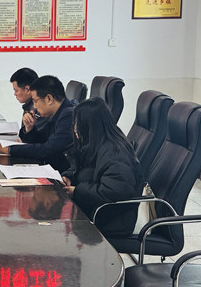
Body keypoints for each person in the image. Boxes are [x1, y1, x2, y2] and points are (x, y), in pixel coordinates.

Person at [62, 98, 144, 237]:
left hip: (110, 220)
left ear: (88, 125)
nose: (74, 128)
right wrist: (70, 177)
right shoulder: (97, 143)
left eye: (76, 123)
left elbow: (114, 191)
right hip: (95, 211)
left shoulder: (115, 152)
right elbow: (85, 169)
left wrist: (77, 191)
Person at [0, 75, 76, 172]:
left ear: (49, 99)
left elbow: (47, 150)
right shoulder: (58, 113)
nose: (34, 107)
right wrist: (30, 129)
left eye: (35, 101)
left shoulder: (69, 115)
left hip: (62, 174)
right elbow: (42, 142)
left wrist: (7, 149)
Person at [9, 67, 48, 142]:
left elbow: (35, 141)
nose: (15, 94)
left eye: (16, 90)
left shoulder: (39, 108)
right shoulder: (29, 105)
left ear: (27, 89)